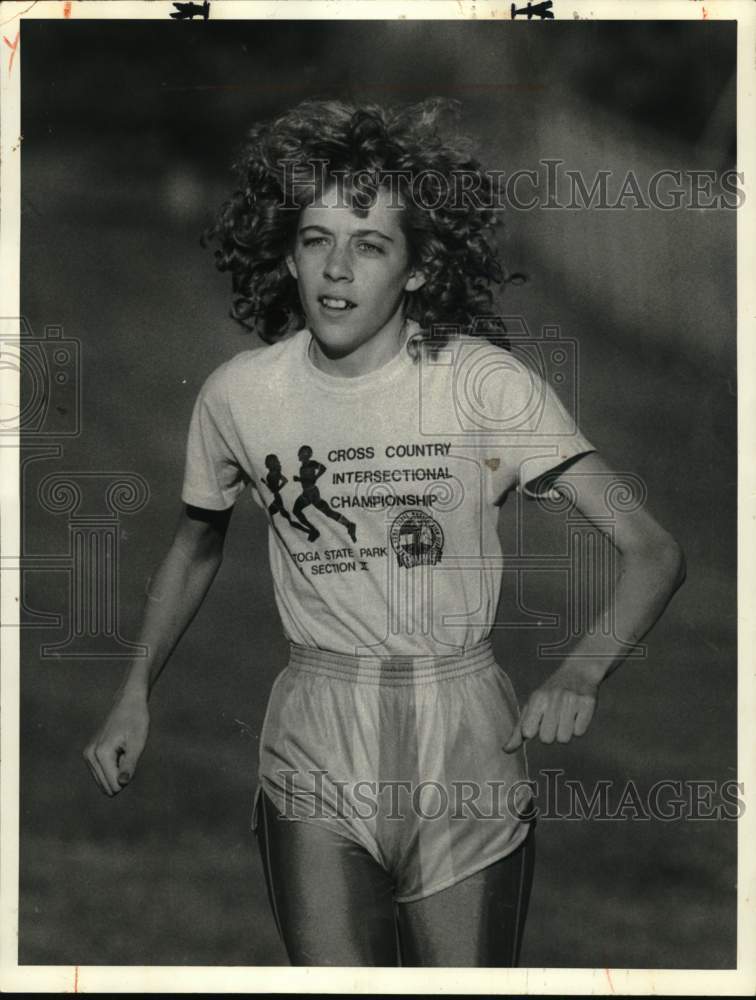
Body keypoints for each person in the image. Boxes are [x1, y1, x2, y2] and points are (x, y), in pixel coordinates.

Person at [83, 98, 686, 967]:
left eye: (370, 245)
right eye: (316, 238)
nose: (337, 269)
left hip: (466, 741)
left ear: (413, 269)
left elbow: (652, 550)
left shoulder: (483, 385)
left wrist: (583, 670)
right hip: (313, 739)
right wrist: (135, 691)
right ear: (286, 251)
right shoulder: (239, 395)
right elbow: (196, 543)